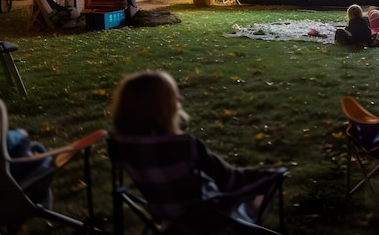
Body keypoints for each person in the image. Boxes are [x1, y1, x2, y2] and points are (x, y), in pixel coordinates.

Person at [110, 70, 281, 202]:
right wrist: (272, 174)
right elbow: (230, 181)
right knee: (260, 193)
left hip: (161, 212)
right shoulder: (185, 146)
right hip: (205, 216)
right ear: (162, 109)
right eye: (173, 98)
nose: (181, 100)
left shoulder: (118, 145)